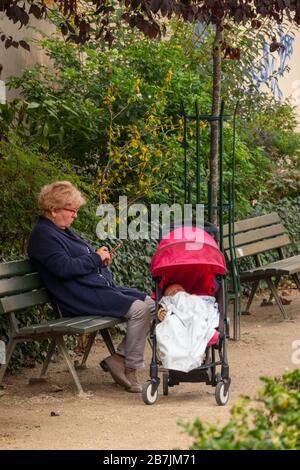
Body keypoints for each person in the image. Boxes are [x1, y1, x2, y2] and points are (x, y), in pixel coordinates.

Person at [27, 181, 155, 393]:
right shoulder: (43, 236)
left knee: (149, 303)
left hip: (94, 289)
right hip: (78, 297)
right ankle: (130, 367)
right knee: (139, 309)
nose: (75, 215)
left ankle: (120, 358)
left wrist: (99, 257)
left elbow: (80, 258)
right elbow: (64, 268)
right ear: (53, 210)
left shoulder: (62, 230)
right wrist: (96, 258)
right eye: (72, 210)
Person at [155, 283, 219, 373]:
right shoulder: (167, 302)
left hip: (196, 315)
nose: (177, 293)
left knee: (197, 321)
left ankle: (202, 335)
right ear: (166, 297)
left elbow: (206, 307)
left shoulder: (195, 298)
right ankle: (187, 350)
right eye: (172, 293)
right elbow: (163, 306)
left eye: (179, 290)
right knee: (172, 324)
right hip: (177, 318)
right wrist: (161, 312)